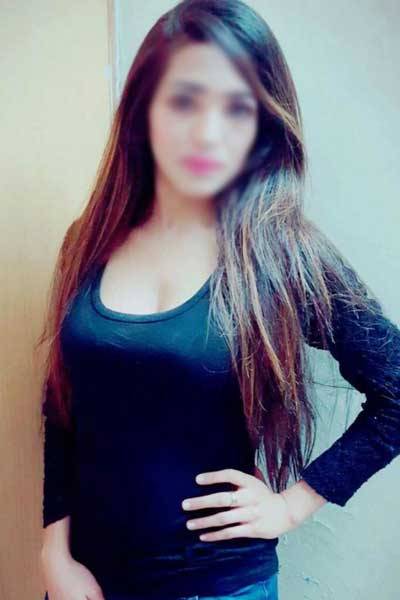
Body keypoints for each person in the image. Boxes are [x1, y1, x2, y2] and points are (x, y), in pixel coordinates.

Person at [37, 1, 400, 599]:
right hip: (85, 583)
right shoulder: (90, 238)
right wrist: (54, 549)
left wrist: (293, 504)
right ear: (144, 109)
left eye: (237, 107)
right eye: (184, 101)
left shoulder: (284, 252)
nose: (208, 131)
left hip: (217, 586)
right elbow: (62, 403)